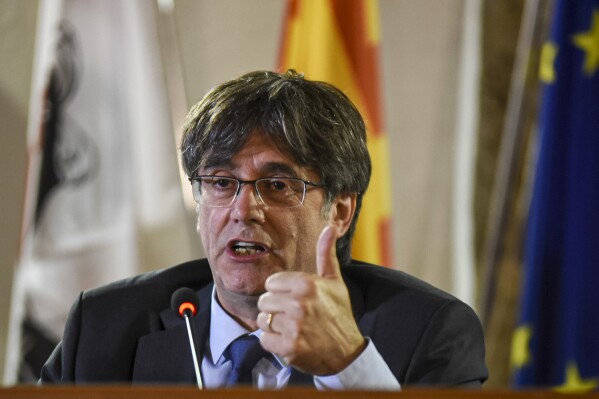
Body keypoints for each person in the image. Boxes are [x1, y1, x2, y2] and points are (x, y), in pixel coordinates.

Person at [40, 70, 488, 389]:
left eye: (276, 185)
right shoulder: (104, 327)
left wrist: (348, 367)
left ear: (341, 210)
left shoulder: (427, 333)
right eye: (220, 182)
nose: (243, 210)